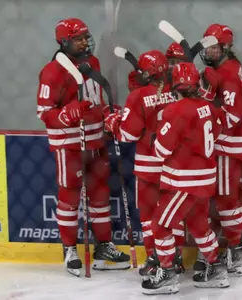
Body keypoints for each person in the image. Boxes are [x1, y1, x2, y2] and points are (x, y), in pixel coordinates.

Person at [36, 17, 130, 277]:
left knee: (100, 194)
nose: (83, 42)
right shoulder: (53, 71)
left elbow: (94, 100)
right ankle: (69, 249)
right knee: (70, 196)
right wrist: (67, 114)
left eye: (84, 37)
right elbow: (44, 112)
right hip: (70, 145)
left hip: (95, 140)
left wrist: (107, 112)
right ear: (64, 42)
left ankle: (103, 247)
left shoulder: (92, 63)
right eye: (77, 38)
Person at [141, 62, 228, 295]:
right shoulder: (209, 107)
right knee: (199, 226)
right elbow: (217, 132)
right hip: (205, 179)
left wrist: (154, 141)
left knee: (160, 225)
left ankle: (167, 273)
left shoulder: (177, 110)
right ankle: (216, 268)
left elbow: (161, 151)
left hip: (183, 181)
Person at [102, 50, 184, 278]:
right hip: (173, 166)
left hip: (149, 166)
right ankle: (174, 257)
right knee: (170, 215)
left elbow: (128, 134)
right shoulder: (176, 91)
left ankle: (154, 258)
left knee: (149, 216)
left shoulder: (138, 96)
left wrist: (113, 122)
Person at [194, 23, 242, 277]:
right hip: (225, 144)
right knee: (215, 196)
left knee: (225, 199)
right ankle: (218, 248)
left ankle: (236, 249)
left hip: (228, 146)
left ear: (226, 48)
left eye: (213, 47)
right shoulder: (224, 68)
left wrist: (205, 109)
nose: (208, 51)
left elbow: (231, 116)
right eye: (206, 45)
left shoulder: (228, 73)